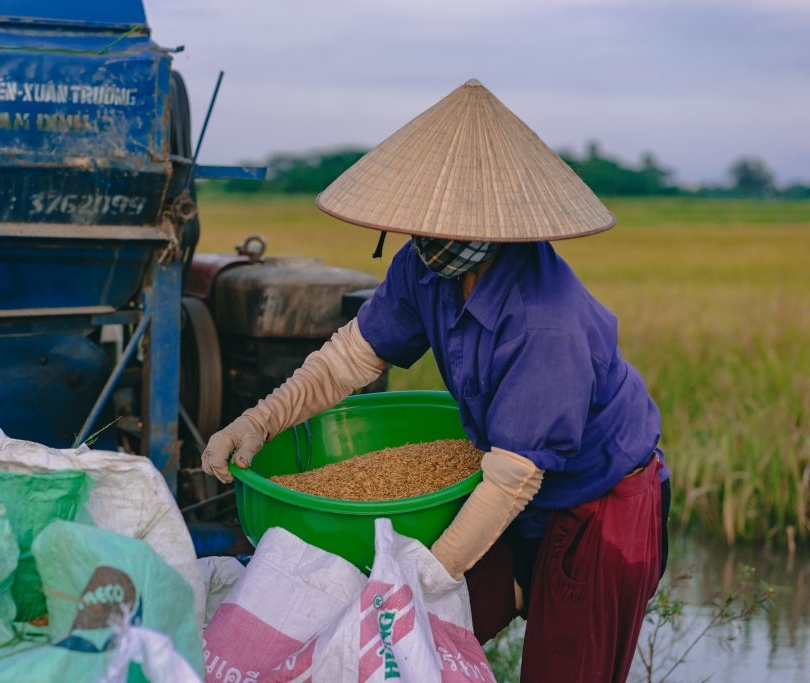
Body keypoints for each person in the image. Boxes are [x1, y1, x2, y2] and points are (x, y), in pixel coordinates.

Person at [201, 79, 669, 683]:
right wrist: (257, 420)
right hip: (504, 479)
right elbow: (349, 360)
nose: (434, 238)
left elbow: (512, 478)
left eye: (455, 224)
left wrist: (423, 574)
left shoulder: (544, 322)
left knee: (563, 668)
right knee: (428, 641)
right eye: (426, 222)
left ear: (504, 224)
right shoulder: (423, 268)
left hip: (596, 501)